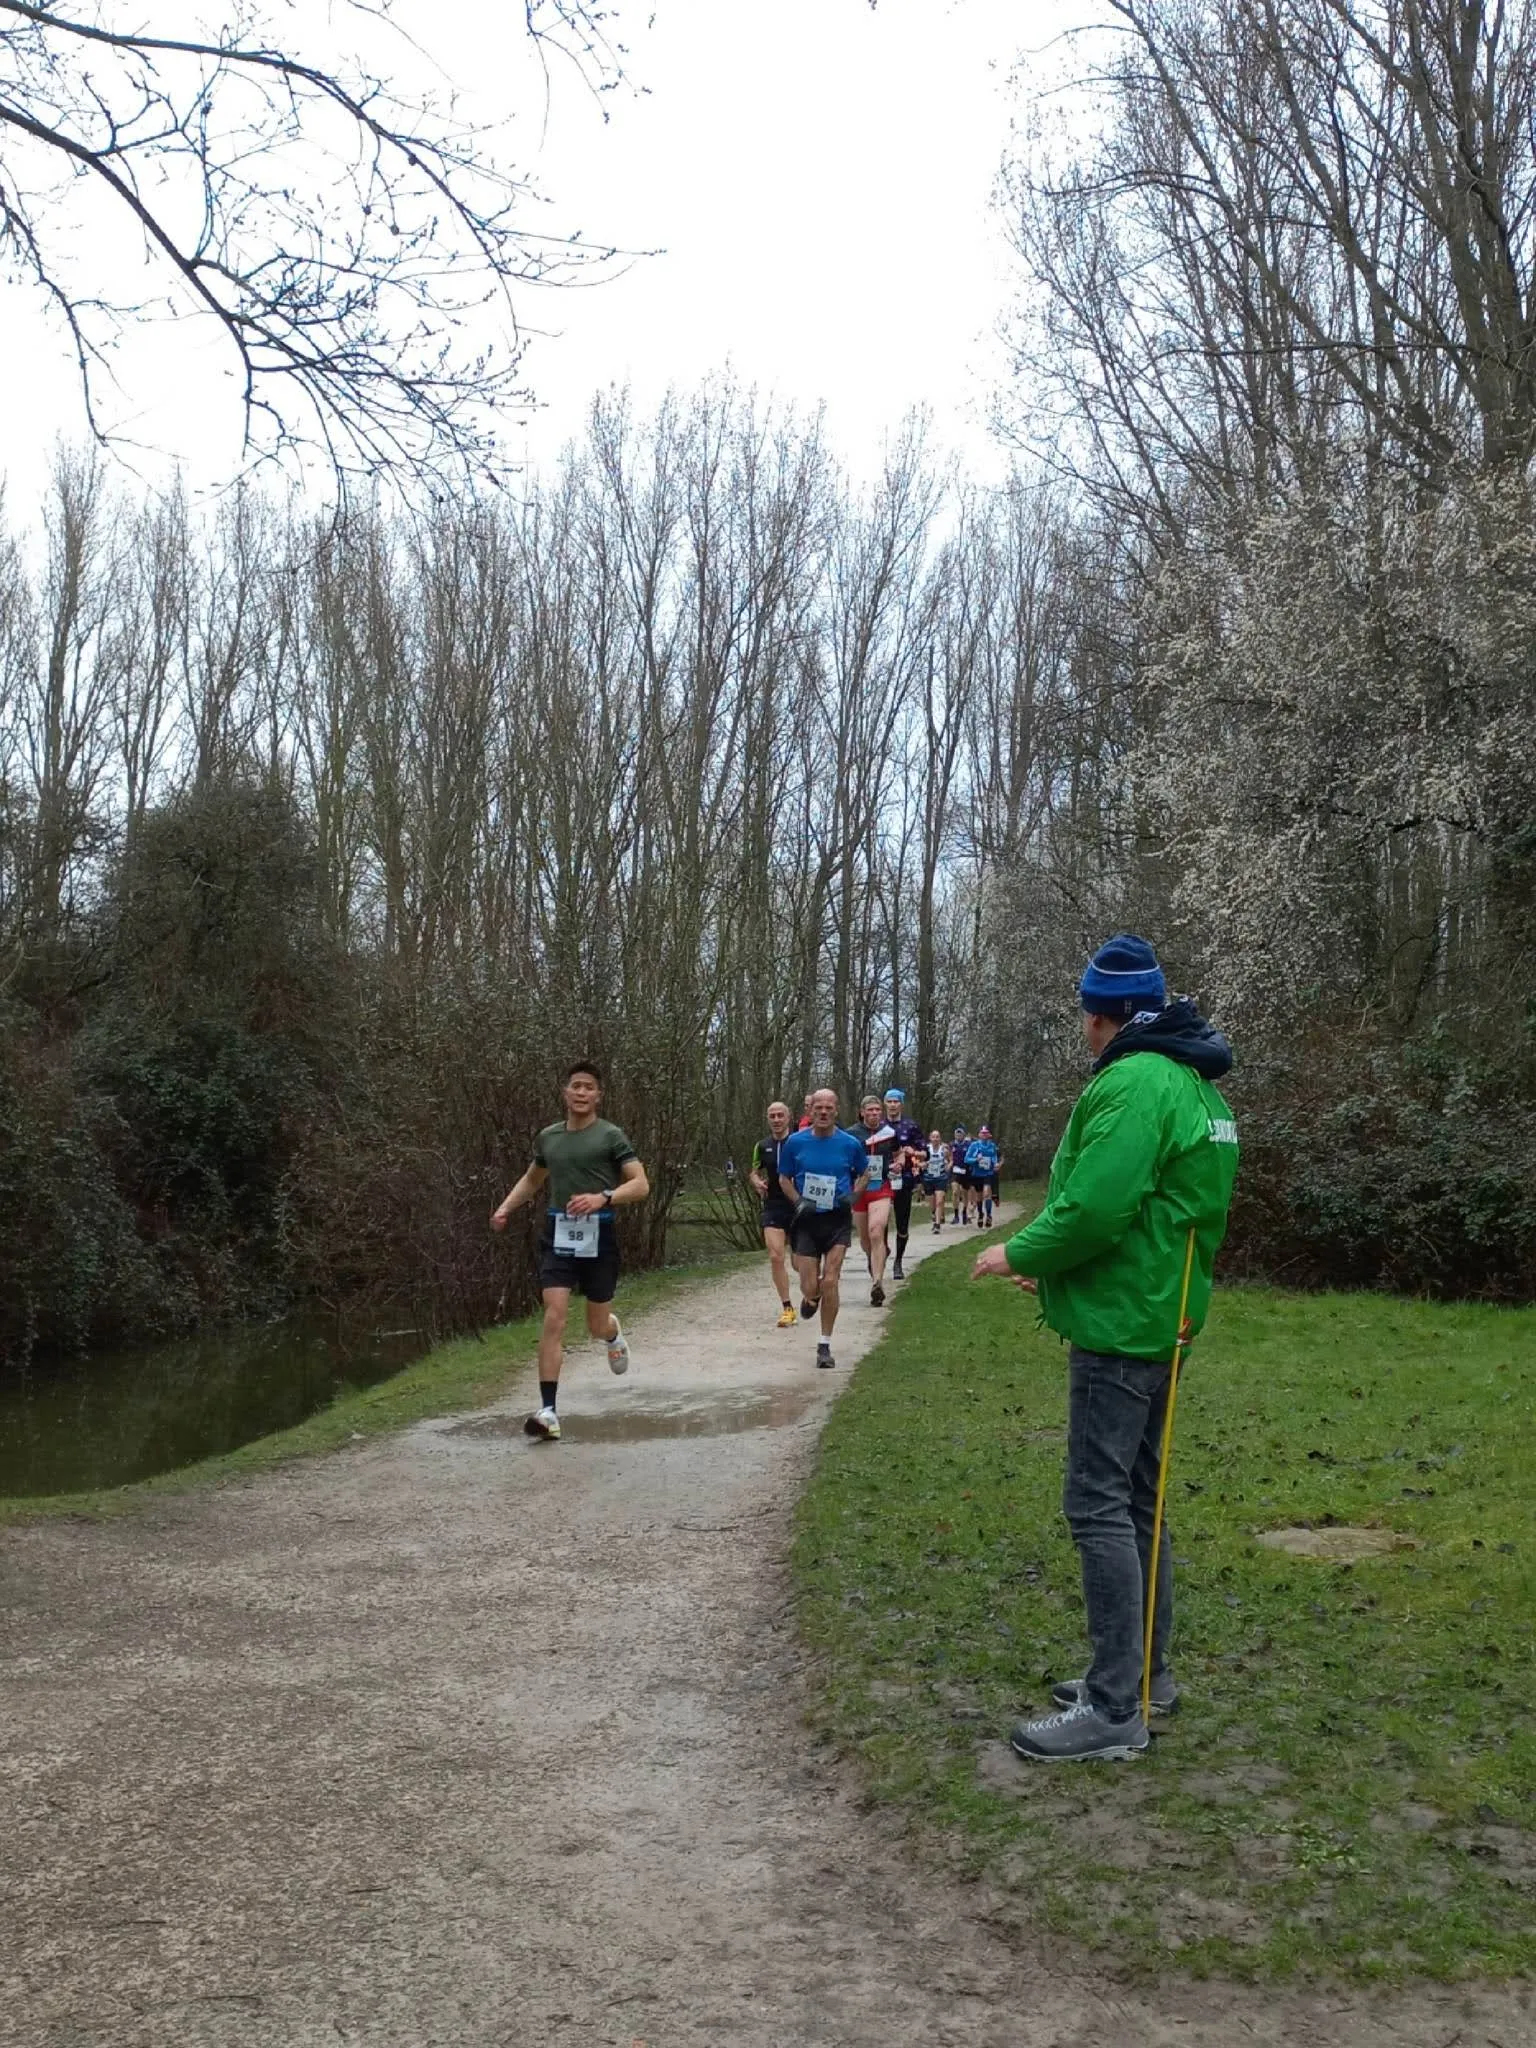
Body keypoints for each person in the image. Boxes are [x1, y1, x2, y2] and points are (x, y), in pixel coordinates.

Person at [972, 934, 1238, 1762]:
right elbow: (1157, 1218)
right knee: (1138, 1501)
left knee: (1097, 1503)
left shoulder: (1134, 1081)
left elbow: (1095, 1209)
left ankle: (1116, 1707)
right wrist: (1056, 1276)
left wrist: (1017, 1251)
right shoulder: (1195, 1084)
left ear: (1102, 1016)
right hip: (1163, 1318)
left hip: (1123, 1330)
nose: (1085, 1030)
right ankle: (1146, 1675)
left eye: (1086, 1016)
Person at [491, 1060, 650, 1442]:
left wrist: (603, 1197)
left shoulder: (610, 1136)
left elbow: (641, 1184)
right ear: (565, 1093)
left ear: (598, 1096)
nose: (581, 1092)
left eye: (588, 1087)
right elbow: (532, 1180)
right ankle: (548, 1412)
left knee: (596, 1325)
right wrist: (505, 1208)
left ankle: (611, 1334)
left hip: (600, 1235)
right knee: (554, 1316)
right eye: (575, 1086)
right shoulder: (549, 1137)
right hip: (558, 1234)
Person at [776, 1089, 870, 1368]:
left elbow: (865, 1173)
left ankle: (824, 1345)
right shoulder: (795, 1142)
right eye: (819, 1107)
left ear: (836, 1111)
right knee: (809, 1285)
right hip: (807, 1220)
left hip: (837, 1218)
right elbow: (783, 1178)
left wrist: (854, 1196)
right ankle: (812, 1297)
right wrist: (798, 1201)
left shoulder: (850, 1144)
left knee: (831, 1280)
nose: (824, 1112)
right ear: (811, 1110)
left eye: (829, 1107)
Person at [749, 1099, 799, 1328]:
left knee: (799, 1263)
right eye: (773, 1116)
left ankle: (812, 1290)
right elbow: (754, 1171)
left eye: (781, 1115)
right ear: (768, 1119)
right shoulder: (761, 1145)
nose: (777, 1120)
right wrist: (756, 1181)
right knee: (776, 1256)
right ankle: (787, 1307)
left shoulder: (799, 1142)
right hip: (773, 1205)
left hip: (798, 1205)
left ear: (789, 1117)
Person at [850, 1094, 898, 1307]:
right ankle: (876, 1260)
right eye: (870, 1110)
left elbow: (898, 1154)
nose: (874, 1113)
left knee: (876, 1231)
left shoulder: (889, 1133)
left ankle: (877, 1282)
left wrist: (899, 1163)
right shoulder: (851, 1134)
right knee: (865, 1240)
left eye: (877, 1110)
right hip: (859, 1188)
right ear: (862, 1113)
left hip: (881, 1187)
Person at [882, 1087, 927, 1280]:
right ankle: (882, 1249)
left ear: (901, 1104)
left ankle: (898, 1262)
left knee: (902, 1222)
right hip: (882, 1178)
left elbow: (925, 1153)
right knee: (880, 1220)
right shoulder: (879, 1125)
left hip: (904, 1178)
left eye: (896, 1101)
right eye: (889, 1101)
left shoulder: (911, 1126)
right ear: (885, 1103)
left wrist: (913, 1152)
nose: (892, 1105)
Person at [966, 1125, 1002, 1227]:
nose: (984, 1135)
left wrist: (996, 1164)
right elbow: (967, 1159)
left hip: (988, 1173)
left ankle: (989, 1215)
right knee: (979, 1196)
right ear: (979, 1135)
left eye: (986, 1133)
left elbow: (994, 1158)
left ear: (989, 1135)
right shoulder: (974, 1145)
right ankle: (980, 1214)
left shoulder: (992, 1146)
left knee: (987, 1193)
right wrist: (976, 1160)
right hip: (977, 1174)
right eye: (982, 1133)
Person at [921, 1128, 950, 1231]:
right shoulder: (925, 1149)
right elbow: (918, 1161)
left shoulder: (944, 1149)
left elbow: (951, 1160)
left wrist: (948, 1165)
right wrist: (922, 1164)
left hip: (941, 1177)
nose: (935, 1139)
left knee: (939, 1201)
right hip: (928, 1178)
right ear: (930, 1138)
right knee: (932, 1202)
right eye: (933, 1137)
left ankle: (937, 1224)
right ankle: (934, 1212)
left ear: (940, 1138)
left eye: (937, 1137)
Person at [949, 1124, 972, 1226]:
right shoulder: (951, 1145)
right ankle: (956, 1215)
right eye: (957, 1134)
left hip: (966, 1172)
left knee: (964, 1193)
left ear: (964, 1135)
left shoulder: (969, 1145)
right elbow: (948, 1156)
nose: (958, 1136)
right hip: (955, 1171)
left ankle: (964, 1212)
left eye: (960, 1134)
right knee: (955, 1192)